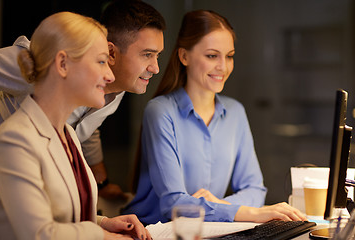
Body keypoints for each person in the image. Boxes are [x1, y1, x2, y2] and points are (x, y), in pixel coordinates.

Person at [121, 10, 307, 225]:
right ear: (184, 56)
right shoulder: (161, 111)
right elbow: (174, 205)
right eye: (212, 56)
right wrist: (252, 213)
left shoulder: (235, 112)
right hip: (154, 232)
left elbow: (254, 189)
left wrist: (218, 206)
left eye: (229, 56)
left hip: (207, 229)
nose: (223, 66)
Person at [0, 11, 152, 240]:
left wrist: (104, 223)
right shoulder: (13, 140)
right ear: (62, 64)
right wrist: (104, 237)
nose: (110, 75)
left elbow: (60, 214)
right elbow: (39, 234)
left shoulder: (68, 133)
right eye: (101, 61)